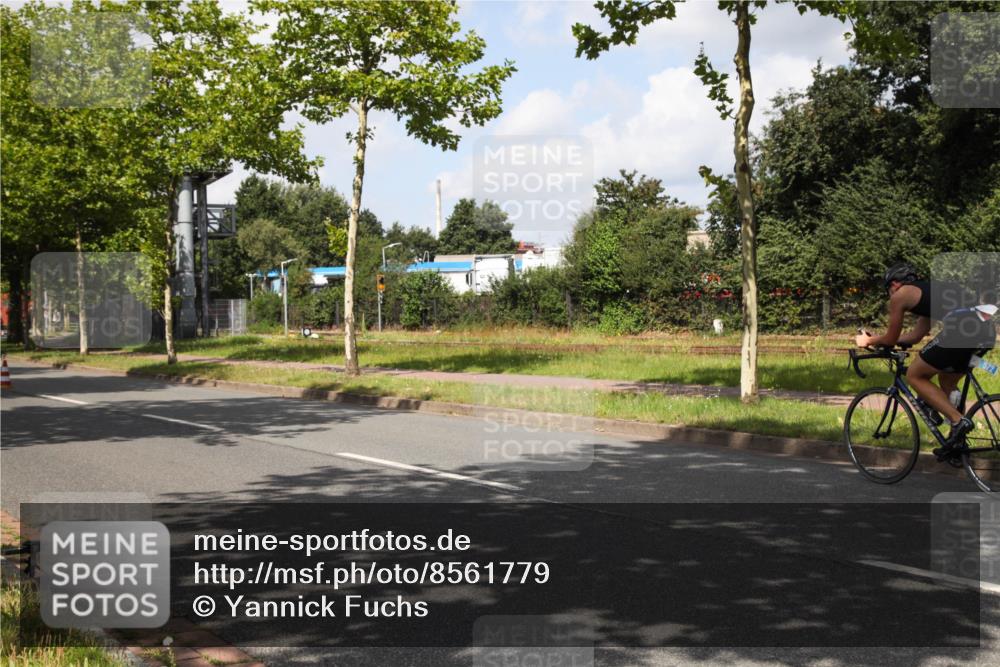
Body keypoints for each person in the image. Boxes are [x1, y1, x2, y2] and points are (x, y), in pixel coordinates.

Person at [855, 262, 996, 458]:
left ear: (894, 284)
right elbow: (915, 336)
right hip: (986, 332)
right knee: (947, 380)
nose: (890, 294)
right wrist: (885, 340)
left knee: (915, 375)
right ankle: (957, 442)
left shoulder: (900, 295)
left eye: (888, 290)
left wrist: (869, 340)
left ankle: (958, 421)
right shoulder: (931, 292)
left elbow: (890, 339)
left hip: (961, 332)